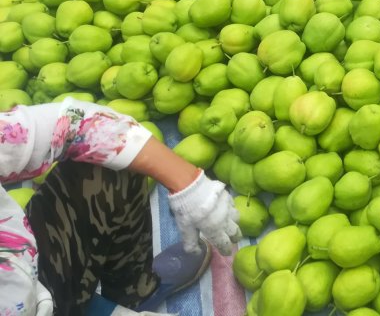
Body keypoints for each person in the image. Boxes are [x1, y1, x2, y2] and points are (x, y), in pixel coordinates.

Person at [0, 98, 241, 316]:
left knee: (113, 158)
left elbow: (74, 123)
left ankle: (133, 290)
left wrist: (189, 183)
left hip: (25, 266)